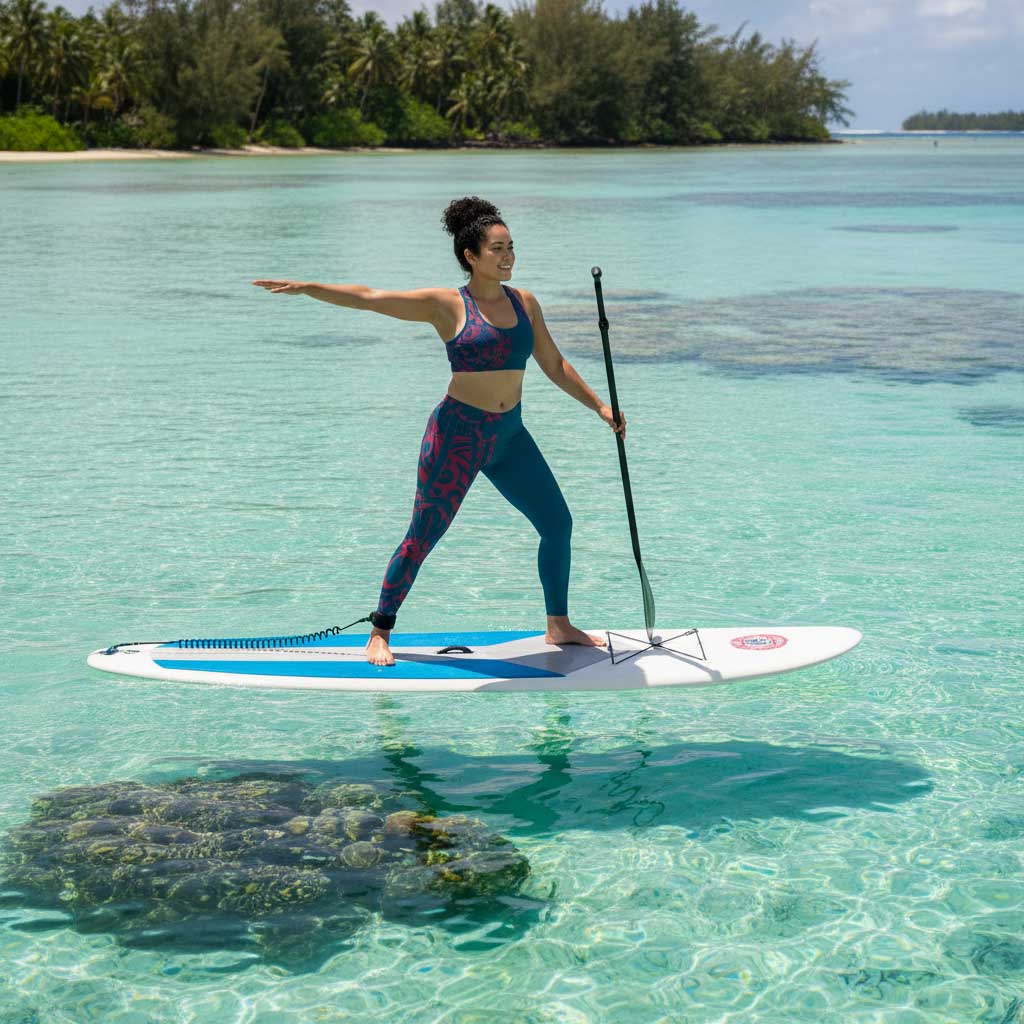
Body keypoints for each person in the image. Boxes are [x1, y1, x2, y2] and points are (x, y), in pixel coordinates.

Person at [253, 196, 626, 667]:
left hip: (509, 437)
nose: (508, 255)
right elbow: (368, 297)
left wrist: (599, 406)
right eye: (498, 248)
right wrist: (309, 287)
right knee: (424, 534)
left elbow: (553, 363)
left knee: (557, 524)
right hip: (457, 436)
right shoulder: (447, 305)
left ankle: (558, 624)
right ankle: (380, 632)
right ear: (471, 255)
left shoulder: (525, 302)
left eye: (512, 246)